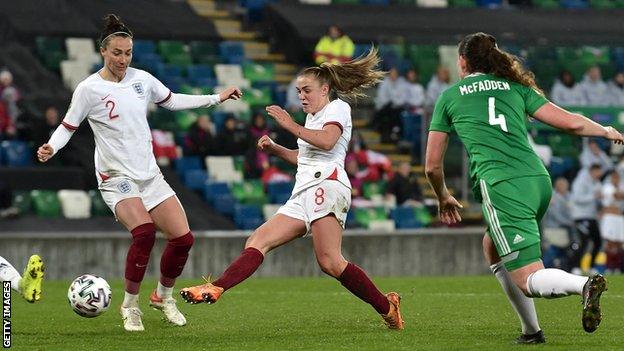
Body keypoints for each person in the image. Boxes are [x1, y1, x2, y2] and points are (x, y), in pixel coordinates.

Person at [36, 14, 242, 332]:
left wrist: (216, 98)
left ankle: (162, 296)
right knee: (144, 233)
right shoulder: (89, 89)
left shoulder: (141, 80)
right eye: (117, 53)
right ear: (103, 51)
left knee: (183, 238)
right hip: (115, 177)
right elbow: (68, 126)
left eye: (128, 52)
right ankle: (130, 306)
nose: (123, 59)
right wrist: (52, 146)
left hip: (149, 175)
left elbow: (172, 101)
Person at [180, 49, 404, 330]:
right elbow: (306, 158)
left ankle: (387, 307)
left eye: (307, 90)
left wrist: (289, 124)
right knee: (258, 239)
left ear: (325, 89)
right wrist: (275, 149)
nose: (301, 96)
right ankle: (216, 288)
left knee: (330, 262)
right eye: (298, 91)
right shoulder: (311, 118)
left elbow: (327, 142)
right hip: (304, 190)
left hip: (328, 185)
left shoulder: (337, 108)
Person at [425, 32, 622, 343]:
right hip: (538, 181)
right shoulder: (516, 88)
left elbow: (432, 166)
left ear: (462, 62)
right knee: (492, 245)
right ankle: (531, 332)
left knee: (528, 278)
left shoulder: (450, 96)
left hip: (504, 186)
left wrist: (443, 195)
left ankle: (583, 285)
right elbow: (569, 122)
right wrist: (606, 129)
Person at [570, 165, 604, 275]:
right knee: (583, 242)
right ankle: (576, 267)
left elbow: (598, 199)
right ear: (592, 171)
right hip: (581, 216)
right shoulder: (580, 181)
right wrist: (594, 196)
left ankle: (591, 266)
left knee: (598, 241)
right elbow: (577, 198)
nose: (599, 175)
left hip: (592, 217)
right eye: (598, 172)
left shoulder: (597, 183)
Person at [599, 171, 624, 273]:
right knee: (610, 242)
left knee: (619, 242)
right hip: (609, 217)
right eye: (614, 177)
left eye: (617, 178)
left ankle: (617, 267)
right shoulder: (607, 187)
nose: (616, 179)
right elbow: (617, 196)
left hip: (618, 217)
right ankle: (609, 267)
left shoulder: (621, 186)